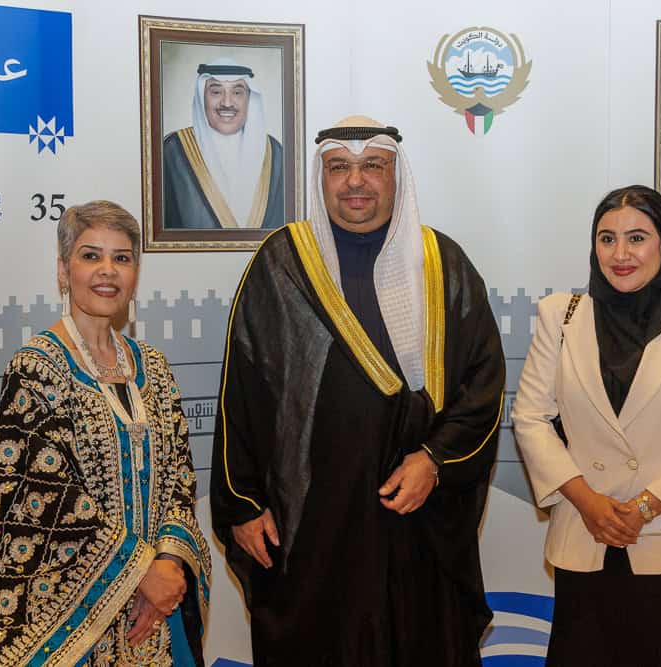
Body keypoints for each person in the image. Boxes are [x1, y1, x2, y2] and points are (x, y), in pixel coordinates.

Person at [210, 116, 505, 666]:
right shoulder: (281, 262)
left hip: (418, 517)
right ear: (320, 178)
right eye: (338, 167)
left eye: (373, 165)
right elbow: (243, 392)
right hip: (314, 519)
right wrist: (243, 504)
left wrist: (435, 460)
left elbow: (483, 384)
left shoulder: (443, 263)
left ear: (396, 175)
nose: (355, 181)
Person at [0, 201, 211, 666]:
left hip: (154, 616)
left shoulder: (154, 367)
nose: (108, 271)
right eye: (90, 256)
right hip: (68, 620)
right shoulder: (36, 369)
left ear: (135, 274)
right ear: (64, 271)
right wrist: (140, 573)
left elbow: (180, 479)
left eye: (122, 258)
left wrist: (167, 565)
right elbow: (47, 500)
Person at [512, 185, 661, 666]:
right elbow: (530, 417)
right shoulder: (560, 315)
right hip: (585, 534)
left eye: (637, 238)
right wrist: (587, 501)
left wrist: (641, 508)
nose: (620, 254)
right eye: (607, 239)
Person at [163, 57, 285, 230]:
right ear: (202, 98)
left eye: (237, 92)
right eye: (216, 92)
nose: (227, 103)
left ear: (249, 98)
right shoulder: (172, 150)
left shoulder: (274, 152)